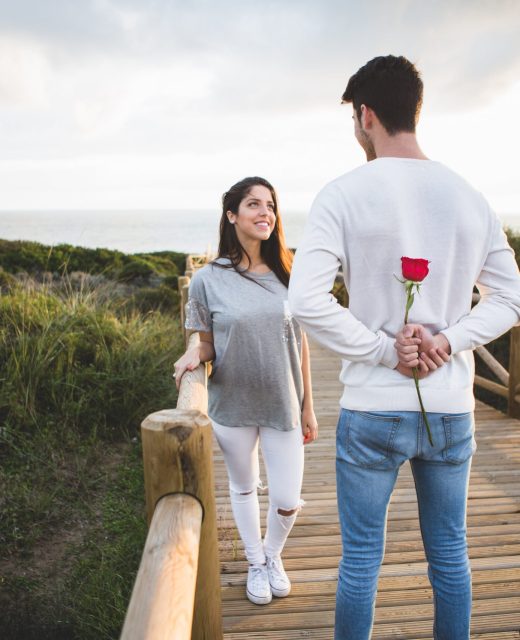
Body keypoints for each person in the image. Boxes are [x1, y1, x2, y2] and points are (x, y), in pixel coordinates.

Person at [288, 55, 520, 639]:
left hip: (371, 407)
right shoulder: (469, 196)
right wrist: (447, 339)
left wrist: (386, 350)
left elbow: (307, 301)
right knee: (451, 553)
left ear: (366, 116)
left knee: (362, 560)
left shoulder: (342, 194)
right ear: (414, 109)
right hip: (450, 408)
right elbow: (511, 299)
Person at [174, 176, 318, 606]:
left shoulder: (289, 271)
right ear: (232, 215)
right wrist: (193, 356)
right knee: (243, 486)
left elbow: (302, 341)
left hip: (284, 400)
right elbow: (205, 340)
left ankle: (272, 555)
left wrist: (309, 406)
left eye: (270, 205)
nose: (265, 213)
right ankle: (255, 563)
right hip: (232, 402)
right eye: (253, 204)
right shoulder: (206, 281)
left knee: (288, 498)